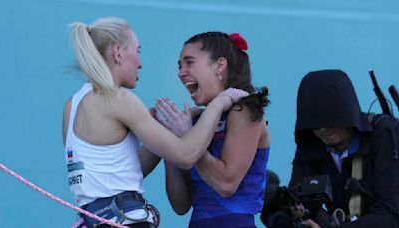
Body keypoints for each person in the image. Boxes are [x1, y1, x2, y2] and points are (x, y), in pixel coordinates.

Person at [63, 18, 248, 228]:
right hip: (123, 220)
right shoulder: (119, 99)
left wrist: (162, 132)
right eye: (137, 51)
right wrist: (219, 103)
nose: (140, 62)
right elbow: (187, 155)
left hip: (93, 220)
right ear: (118, 53)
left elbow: (122, 173)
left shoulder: (73, 104)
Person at [151, 31, 271, 228]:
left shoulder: (243, 109)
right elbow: (180, 205)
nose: (181, 73)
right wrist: (171, 145)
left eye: (189, 63)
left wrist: (187, 137)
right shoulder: (198, 119)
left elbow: (226, 185)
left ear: (219, 66)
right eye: (180, 66)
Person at [289, 69, 399, 227]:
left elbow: (392, 213)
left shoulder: (385, 135)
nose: (323, 129)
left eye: (331, 121)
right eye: (315, 124)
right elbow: (297, 197)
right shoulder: (312, 142)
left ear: (348, 114)